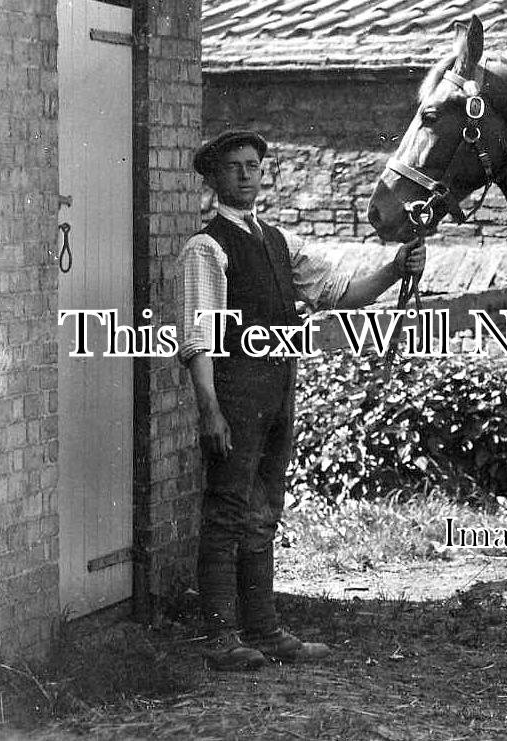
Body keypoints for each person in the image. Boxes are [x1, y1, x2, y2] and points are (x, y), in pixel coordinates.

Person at [177, 130, 424, 670]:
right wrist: (209, 408)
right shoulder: (206, 247)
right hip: (234, 391)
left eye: (253, 166)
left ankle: (263, 631)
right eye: (234, 167)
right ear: (214, 179)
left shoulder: (278, 241)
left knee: (263, 511)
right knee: (226, 512)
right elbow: (197, 336)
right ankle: (221, 640)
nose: (246, 175)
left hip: (277, 391)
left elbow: (342, 293)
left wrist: (395, 267)